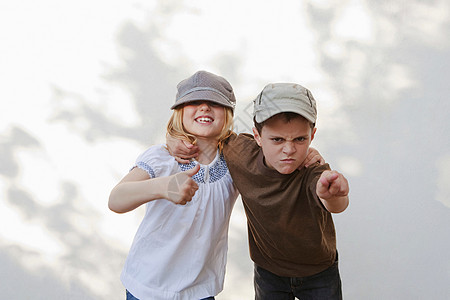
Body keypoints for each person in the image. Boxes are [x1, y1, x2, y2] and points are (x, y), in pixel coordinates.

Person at [168, 83, 349, 299]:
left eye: (300, 139)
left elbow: (334, 203)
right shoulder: (240, 152)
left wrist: (335, 194)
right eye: (277, 140)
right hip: (268, 272)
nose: (289, 150)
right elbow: (208, 133)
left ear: (312, 135)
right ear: (257, 136)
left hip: (318, 272)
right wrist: (172, 138)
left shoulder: (314, 170)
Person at [108, 70, 240, 300]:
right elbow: (116, 199)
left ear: (228, 114)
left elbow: (273, 148)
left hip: (201, 290)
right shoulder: (162, 157)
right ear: (179, 112)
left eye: (214, 103)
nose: (204, 108)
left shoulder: (236, 163)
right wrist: (164, 187)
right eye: (194, 102)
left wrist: (310, 154)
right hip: (147, 288)